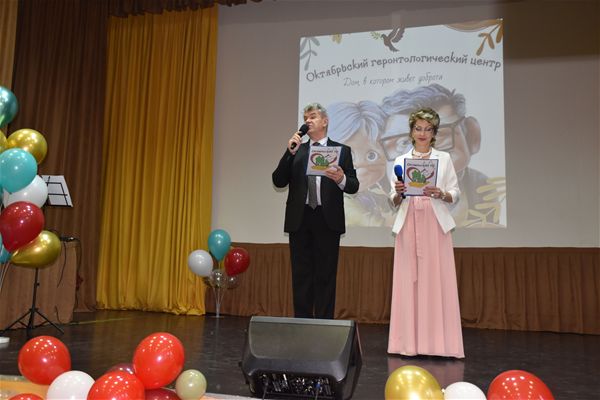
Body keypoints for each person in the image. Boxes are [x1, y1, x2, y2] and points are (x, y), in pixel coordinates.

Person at [387, 107, 464, 358]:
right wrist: (399, 193)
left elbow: (455, 192)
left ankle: (439, 345)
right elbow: (393, 199)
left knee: (436, 282)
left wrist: (442, 193)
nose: (422, 133)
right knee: (408, 282)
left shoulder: (444, 158)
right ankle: (406, 344)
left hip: (435, 223)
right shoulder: (400, 160)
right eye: (418, 128)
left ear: (434, 133)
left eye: (428, 129)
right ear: (411, 131)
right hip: (408, 222)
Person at [272, 103, 359, 319]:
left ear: (325, 121)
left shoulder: (342, 151)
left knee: (326, 275)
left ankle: (324, 324)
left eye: (312, 117)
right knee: (301, 275)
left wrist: (341, 179)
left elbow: (353, 185)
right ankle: (302, 322)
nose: (307, 121)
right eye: (305, 118)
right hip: (300, 218)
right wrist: (289, 153)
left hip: (327, 219)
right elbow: (278, 180)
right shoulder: (297, 150)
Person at [380, 84, 502, 227]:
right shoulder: (390, 175)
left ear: (472, 136)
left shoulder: (480, 186)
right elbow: (393, 203)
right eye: (403, 142)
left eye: (436, 134)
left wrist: (442, 195)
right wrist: (399, 195)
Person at [327, 100, 395, 227]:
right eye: (349, 156)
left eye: (372, 155)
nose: (361, 166)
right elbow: (380, 224)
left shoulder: (375, 194)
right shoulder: (341, 201)